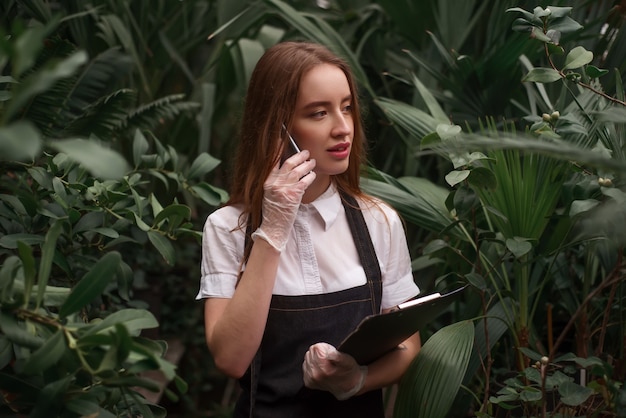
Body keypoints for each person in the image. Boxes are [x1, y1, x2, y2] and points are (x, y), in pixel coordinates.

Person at [196, 41, 421, 417]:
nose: (342, 127)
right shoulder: (227, 227)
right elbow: (231, 360)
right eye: (319, 113)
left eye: (347, 108)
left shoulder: (378, 220)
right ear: (277, 126)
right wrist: (272, 229)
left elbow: (409, 350)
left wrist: (358, 379)